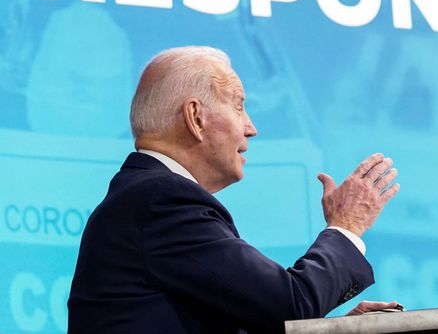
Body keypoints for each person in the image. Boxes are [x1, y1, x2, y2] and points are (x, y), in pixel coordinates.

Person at [67, 46, 400, 333]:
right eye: (239, 106)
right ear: (195, 117)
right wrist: (347, 226)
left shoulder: (147, 199)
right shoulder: (162, 201)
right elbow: (289, 305)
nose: (251, 128)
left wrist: (333, 330)